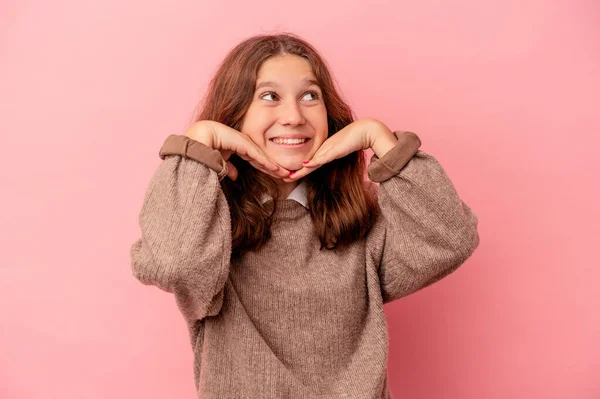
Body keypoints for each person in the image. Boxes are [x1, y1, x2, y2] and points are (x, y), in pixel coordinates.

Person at [130, 32, 480, 398]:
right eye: (269, 97)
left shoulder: (361, 224)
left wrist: (382, 142)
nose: (294, 116)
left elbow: (451, 240)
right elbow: (173, 264)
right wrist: (196, 145)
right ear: (235, 115)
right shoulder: (209, 228)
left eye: (310, 96)